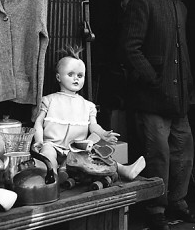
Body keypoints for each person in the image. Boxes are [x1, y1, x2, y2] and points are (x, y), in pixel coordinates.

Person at [120, 0, 195, 230]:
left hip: (178, 98)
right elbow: (130, 48)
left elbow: (182, 52)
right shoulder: (142, 2)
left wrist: (187, 82)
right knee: (158, 155)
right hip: (153, 98)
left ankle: (178, 201)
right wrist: (153, 78)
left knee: (184, 151)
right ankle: (155, 209)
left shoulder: (180, 6)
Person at [33, 46, 145, 182]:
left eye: (80, 76)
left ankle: (124, 170)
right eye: (70, 75)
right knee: (48, 156)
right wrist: (39, 141)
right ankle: (53, 176)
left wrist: (104, 134)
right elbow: (38, 122)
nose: (76, 79)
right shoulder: (49, 100)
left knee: (97, 156)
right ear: (58, 77)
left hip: (76, 149)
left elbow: (93, 126)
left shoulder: (88, 106)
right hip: (52, 145)